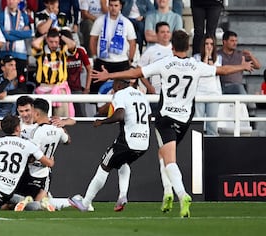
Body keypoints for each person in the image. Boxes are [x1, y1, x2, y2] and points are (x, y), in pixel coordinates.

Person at [91, 30, 254, 217]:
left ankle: (182, 194)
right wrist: (241, 67)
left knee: (169, 160)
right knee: (163, 153)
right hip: (185, 119)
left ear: (172, 47)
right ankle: (167, 192)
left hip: (166, 118)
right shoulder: (196, 65)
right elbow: (223, 70)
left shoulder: (166, 63)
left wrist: (108, 76)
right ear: (189, 46)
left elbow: (135, 72)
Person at [69, 79, 151, 212]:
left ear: (118, 85)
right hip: (143, 143)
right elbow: (149, 117)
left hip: (127, 142)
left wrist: (102, 122)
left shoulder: (120, 94)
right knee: (123, 163)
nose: (113, 89)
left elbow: (119, 115)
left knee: (104, 166)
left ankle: (85, 203)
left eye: (113, 86)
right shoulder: (141, 94)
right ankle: (122, 196)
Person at [13, 98, 71, 211]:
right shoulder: (57, 128)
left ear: (37, 113)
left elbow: (31, 156)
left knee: (10, 203)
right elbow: (68, 141)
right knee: (38, 203)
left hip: (30, 171)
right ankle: (67, 201)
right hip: (45, 173)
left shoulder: (36, 132)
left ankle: (26, 201)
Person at [89, 0, 137, 94]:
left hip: (121, 62)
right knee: (95, 91)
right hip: (103, 61)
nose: (113, 8)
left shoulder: (127, 23)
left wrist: (130, 60)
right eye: (111, 5)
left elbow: (132, 43)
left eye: (116, 5)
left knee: (124, 92)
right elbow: (93, 39)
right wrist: (94, 56)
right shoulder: (100, 21)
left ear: (120, 7)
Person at [32, 28, 76, 117]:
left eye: (56, 42)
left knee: (60, 120)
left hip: (60, 89)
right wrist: (44, 36)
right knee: (42, 118)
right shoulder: (41, 52)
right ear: (47, 40)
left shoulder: (63, 51)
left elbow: (73, 44)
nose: (54, 44)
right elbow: (34, 43)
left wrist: (61, 36)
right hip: (44, 89)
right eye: (51, 41)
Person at [0, 0, 33, 82]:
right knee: (4, 82)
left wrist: (11, 32)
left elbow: (29, 34)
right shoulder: (1, 15)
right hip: (5, 53)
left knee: (21, 82)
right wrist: (21, 35)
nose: (11, 2)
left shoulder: (24, 16)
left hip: (21, 54)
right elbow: (4, 36)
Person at [194, 35, 222, 136]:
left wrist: (210, 57)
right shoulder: (196, 58)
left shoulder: (219, 58)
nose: (209, 46)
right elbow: (202, 71)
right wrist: (205, 56)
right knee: (198, 121)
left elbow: (213, 71)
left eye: (211, 44)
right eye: (206, 44)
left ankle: (213, 146)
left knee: (212, 123)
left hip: (213, 93)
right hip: (199, 93)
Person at [218, 30, 261, 94]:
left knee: (238, 87)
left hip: (238, 86)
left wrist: (251, 55)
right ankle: (249, 103)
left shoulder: (240, 54)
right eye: (232, 41)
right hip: (221, 86)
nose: (235, 43)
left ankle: (249, 103)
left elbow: (258, 66)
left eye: (236, 41)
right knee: (238, 88)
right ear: (224, 42)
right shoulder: (217, 55)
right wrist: (242, 67)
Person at [61, 29, 91, 117]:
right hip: (63, 89)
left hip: (77, 89)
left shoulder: (80, 51)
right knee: (65, 116)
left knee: (81, 115)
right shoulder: (59, 53)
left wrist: (87, 88)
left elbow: (89, 69)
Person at [137, 21, 172, 97]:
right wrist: (149, 87)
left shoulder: (175, 49)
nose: (166, 34)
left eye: (168, 32)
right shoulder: (150, 50)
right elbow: (139, 69)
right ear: (157, 34)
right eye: (162, 32)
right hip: (155, 94)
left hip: (172, 95)